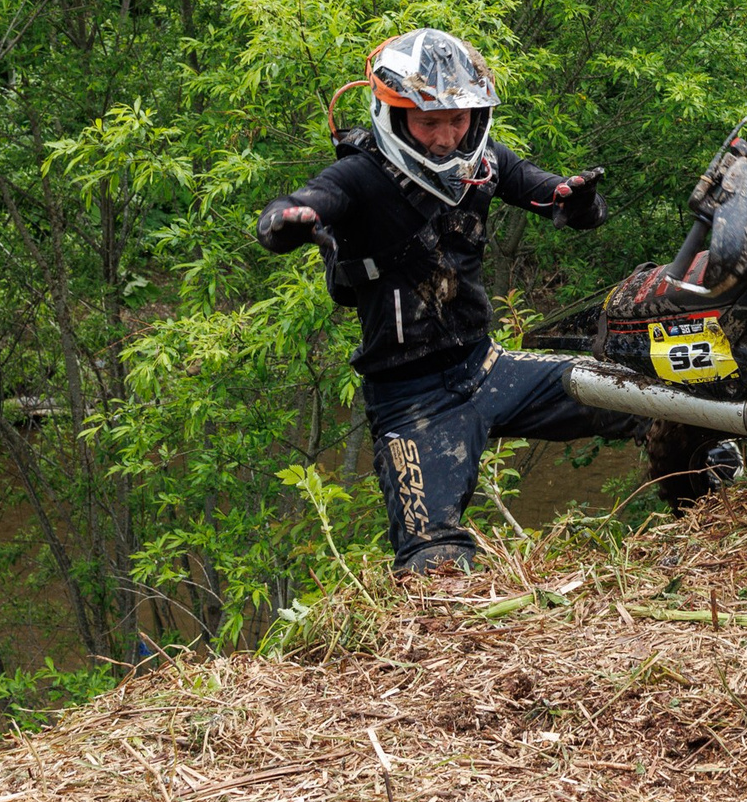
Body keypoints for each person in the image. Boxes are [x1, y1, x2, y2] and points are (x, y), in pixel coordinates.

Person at [256, 29, 644, 572]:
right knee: (434, 562)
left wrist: (579, 204)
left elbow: (558, 197)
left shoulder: (484, 164)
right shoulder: (360, 175)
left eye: (458, 120)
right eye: (429, 122)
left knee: (645, 400)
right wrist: (288, 222)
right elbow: (298, 207)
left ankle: (715, 481)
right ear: (394, 117)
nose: (445, 139)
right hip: (409, 400)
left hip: (487, 367)